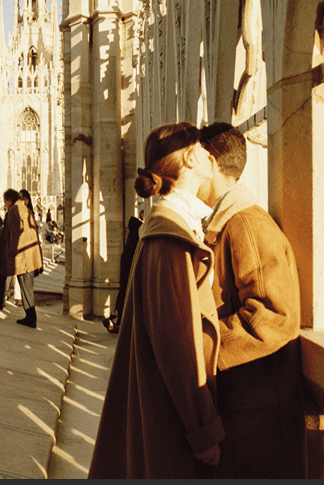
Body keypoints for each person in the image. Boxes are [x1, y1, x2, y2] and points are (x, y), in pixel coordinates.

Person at [89, 122, 222, 478]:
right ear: (192, 157)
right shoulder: (169, 238)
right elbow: (177, 345)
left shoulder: (166, 226)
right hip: (169, 419)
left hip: (160, 409)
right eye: (206, 151)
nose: (213, 158)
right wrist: (204, 430)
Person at [197, 122, 306, 478]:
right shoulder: (231, 222)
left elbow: (275, 315)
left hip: (255, 415)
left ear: (211, 163)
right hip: (245, 406)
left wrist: (203, 348)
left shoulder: (245, 224)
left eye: (195, 160)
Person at [0, 188, 43, 328]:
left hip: (22, 255)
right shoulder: (24, 209)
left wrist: (11, 251)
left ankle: (31, 317)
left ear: (9, 200)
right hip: (28, 253)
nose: (4, 204)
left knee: (25, 285)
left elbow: (17, 233)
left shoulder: (14, 211)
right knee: (4, 272)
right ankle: (1, 302)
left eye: (5, 201)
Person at [103, 213, 143, 334]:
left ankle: (118, 322)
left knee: (124, 296)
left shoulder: (133, 235)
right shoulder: (138, 234)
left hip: (127, 272)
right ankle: (118, 323)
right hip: (131, 272)